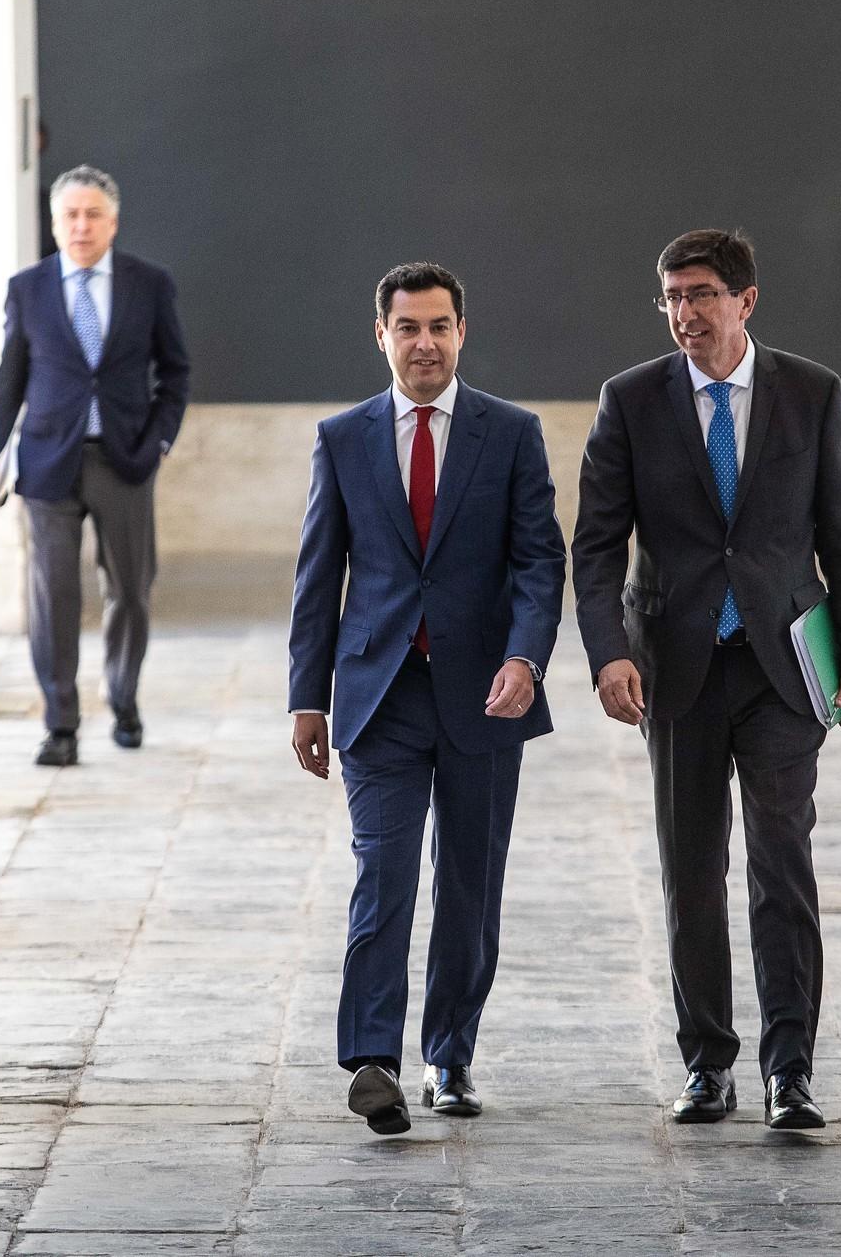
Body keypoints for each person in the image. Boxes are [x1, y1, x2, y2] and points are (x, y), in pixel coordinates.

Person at [572, 228, 841, 1131]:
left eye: (702, 294)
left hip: (784, 670)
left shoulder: (812, 393)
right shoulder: (630, 402)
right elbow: (594, 548)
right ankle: (708, 1063)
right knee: (691, 870)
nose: (685, 313)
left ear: (747, 301)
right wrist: (608, 652)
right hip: (677, 672)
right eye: (672, 296)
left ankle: (793, 1070)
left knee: (783, 868)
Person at [288, 262, 565, 1133]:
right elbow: (316, 576)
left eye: (440, 326)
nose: (426, 343)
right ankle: (374, 1057)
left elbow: (537, 561)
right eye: (408, 328)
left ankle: (449, 1051)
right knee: (385, 876)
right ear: (382, 336)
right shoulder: (342, 439)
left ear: (462, 331)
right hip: (379, 695)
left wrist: (526, 659)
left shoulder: (511, 434)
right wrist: (308, 698)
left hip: (486, 695)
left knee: (470, 884)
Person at [0, 165, 191, 767]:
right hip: (46, 464)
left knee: (130, 590)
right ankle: (61, 724)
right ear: (53, 224)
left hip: (124, 461)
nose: (80, 225)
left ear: (112, 222)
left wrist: (159, 444)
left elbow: (175, 373)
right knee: (54, 596)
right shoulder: (28, 288)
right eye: (70, 215)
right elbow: (10, 379)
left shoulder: (149, 284)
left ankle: (123, 698)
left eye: (92, 214)